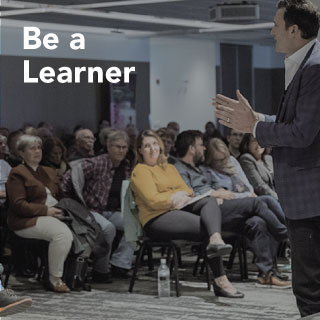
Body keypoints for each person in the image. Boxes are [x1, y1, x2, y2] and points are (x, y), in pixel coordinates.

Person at [214, 0, 320, 316]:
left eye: (276, 24)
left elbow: (302, 134)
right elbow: (302, 124)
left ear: (294, 29)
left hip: (310, 195)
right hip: (308, 194)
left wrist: (257, 126)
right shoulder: (307, 62)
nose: (271, 30)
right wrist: (257, 118)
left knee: (310, 287)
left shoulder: (314, 67)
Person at [131, 130, 244, 299]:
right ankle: (221, 281)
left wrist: (180, 195)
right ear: (140, 150)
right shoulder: (140, 171)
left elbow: (187, 190)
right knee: (208, 226)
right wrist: (173, 197)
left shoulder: (168, 167)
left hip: (176, 210)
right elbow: (152, 200)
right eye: (147, 146)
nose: (152, 149)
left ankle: (215, 240)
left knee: (209, 200)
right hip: (156, 219)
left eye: (155, 144)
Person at [174, 131, 290, 287]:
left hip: (220, 208)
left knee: (258, 223)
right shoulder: (179, 169)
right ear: (191, 149)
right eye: (201, 145)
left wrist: (215, 193)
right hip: (206, 213)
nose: (203, 148)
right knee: (258, 203)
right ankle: (286, 234)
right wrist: (214, 193)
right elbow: (186, 195)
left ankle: (266, 273)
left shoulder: (197, 167)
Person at [61, 130, 134, 281]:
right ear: (108, 147)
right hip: (91, 209)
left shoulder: (126, 167)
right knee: (108, 228)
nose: (121, 150)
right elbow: (71, 175)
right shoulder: (97, 163)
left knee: (133, 222)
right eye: (117, 146)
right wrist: (69, 199)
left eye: (124, 147)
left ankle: (120, 265)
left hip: (113, 210)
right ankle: (100, 270)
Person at [6, 135, 73, 293]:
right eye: (32, 148)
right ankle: (55, 279)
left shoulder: (48, 171)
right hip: (26, 220)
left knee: (87, 230)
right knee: (62, 234)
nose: (37, 151)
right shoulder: (17, 173)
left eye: (39, 148)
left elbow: (61, 196)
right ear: (21, 153)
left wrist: (65, 208)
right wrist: (46, 211)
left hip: (55, 214)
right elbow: (18, 205)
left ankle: (75, 274)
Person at [239, 134, 278, 200]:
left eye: (261, 140)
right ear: (247, 144)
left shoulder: (269, 158)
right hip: (264, 198)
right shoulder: (246, 159)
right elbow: (259, 186)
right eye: (254, 141)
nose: (259, 143)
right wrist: (279, 199)